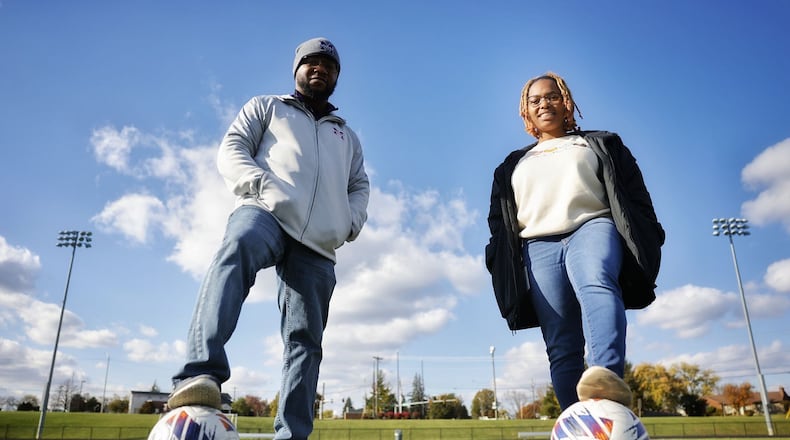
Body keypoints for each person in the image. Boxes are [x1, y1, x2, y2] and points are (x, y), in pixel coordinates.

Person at [167, 37, 369, 440]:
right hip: (266, 213)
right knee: (236, 249)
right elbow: (232, 148)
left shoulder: (346, 137)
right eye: (310, 62)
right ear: (296, 69)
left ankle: (292, 433)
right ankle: (201, 373)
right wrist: (261, 185)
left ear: (336, 78)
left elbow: (359, 185)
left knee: (305, 339)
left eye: (328, 65)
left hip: (318, 244)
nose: (319, 69)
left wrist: (349, 222)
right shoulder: (266, 107)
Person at [485, 72, 664, 410]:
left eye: (551, 96)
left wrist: (651, 232)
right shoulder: (512, 164)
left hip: (592, 225)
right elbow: (499, 221)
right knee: (560, 337)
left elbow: (636, 195)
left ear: (566, 102)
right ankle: (576, 418)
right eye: (535, 100)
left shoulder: (599, 143)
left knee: (596, 281)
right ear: (526, 111)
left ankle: (604, 380)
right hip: (537, 245)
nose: (544, 104)